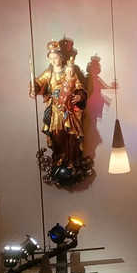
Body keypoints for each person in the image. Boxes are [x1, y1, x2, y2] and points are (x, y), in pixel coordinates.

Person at [31, 38, 87, 176]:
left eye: (55, 58)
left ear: (60, 57)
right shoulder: (48, 73)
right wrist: (34, 87)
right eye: (51, 58)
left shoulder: (70, 71)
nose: (53, 61)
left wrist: (79, 96)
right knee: (57, 134)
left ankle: (72, 161)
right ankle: (59, 160)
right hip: (55, 109)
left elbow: (79, 86)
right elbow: (38, 82)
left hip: (68, 108)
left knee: (71, 134)